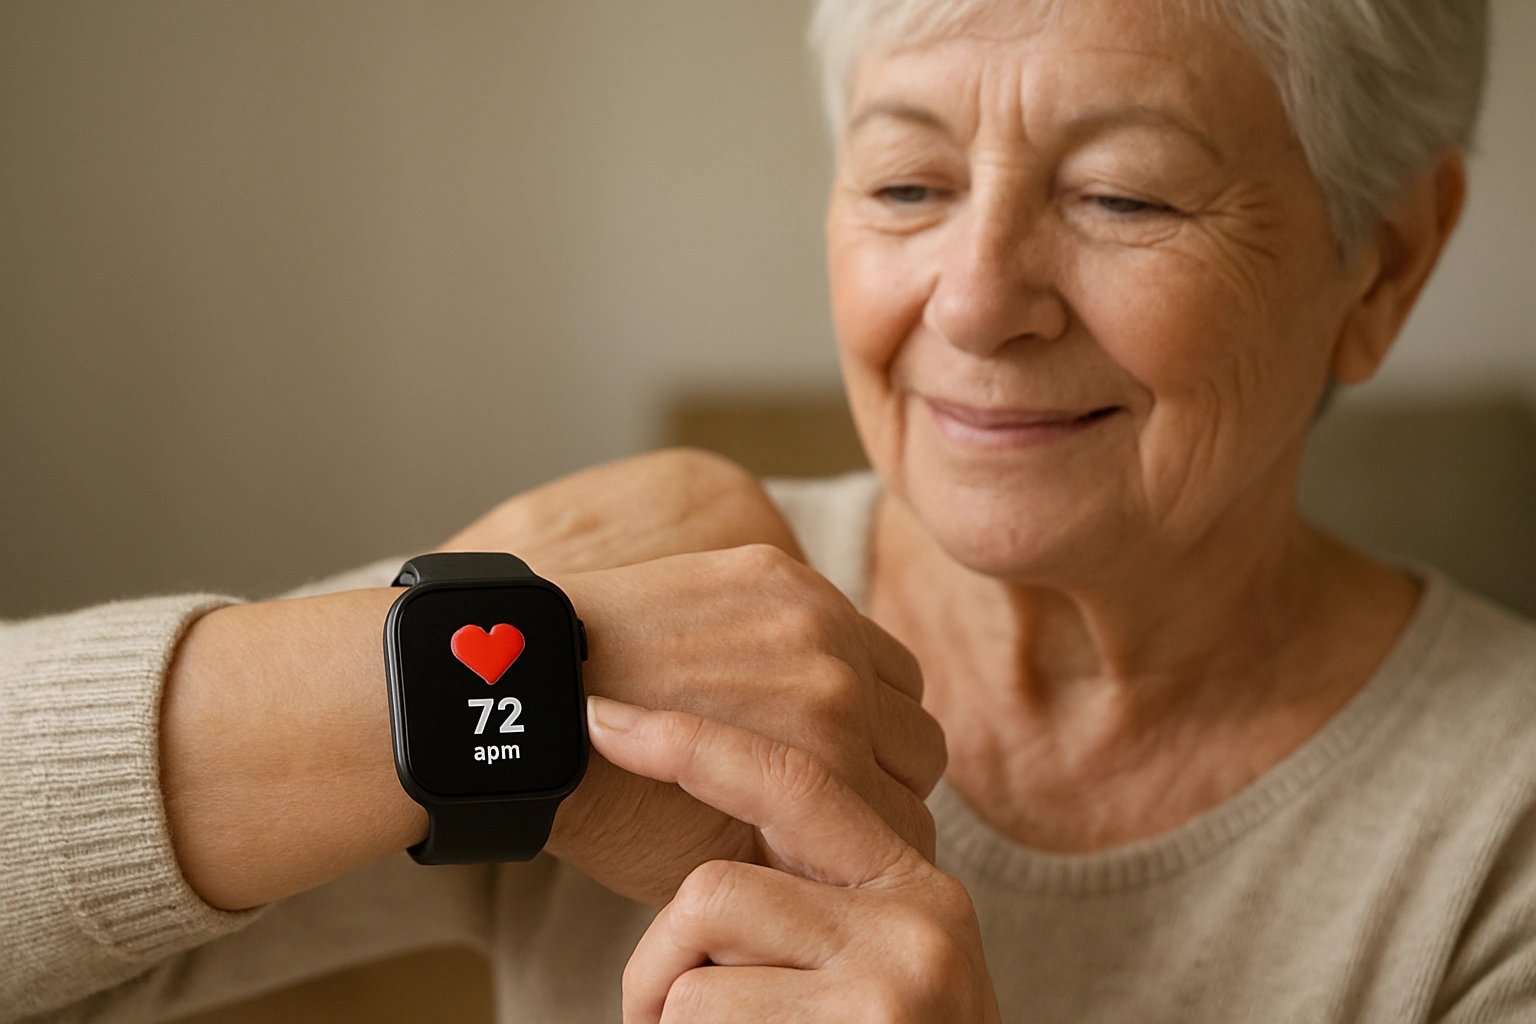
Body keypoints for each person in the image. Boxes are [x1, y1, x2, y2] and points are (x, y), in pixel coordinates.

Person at [6, 0, 1532, 1021]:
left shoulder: (1500, 828)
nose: (978, 298)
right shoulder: (621, 614)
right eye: (906, 186)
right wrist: (534, 675)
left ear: (1386, 262)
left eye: (1125, 195)